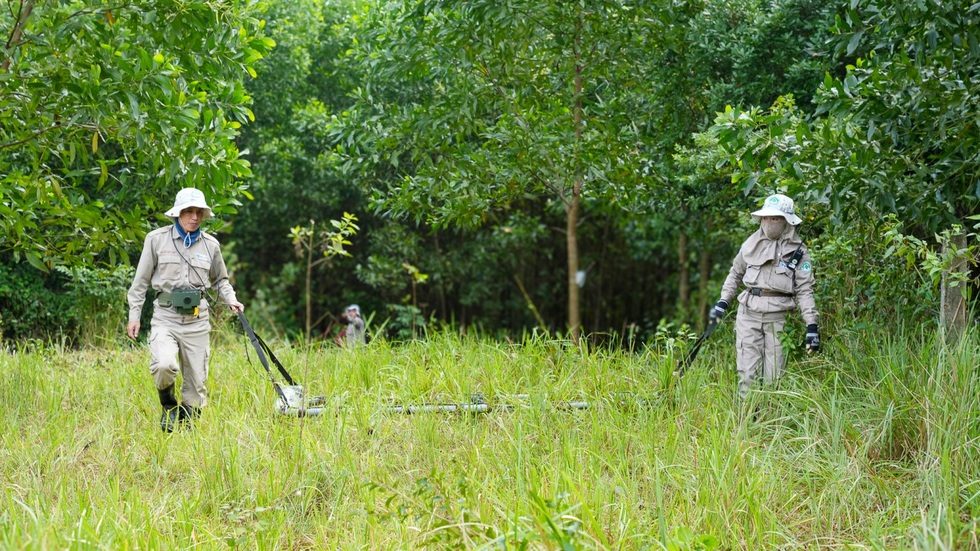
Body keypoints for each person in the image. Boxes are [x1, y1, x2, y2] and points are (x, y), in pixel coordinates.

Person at [126, 188, 244, 432]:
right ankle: (168, 404)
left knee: (196, 383)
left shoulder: (211, 245)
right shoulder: (156, 240)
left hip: (197, 320)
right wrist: (134, 316)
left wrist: (232, 300)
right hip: (165, 316)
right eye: (189, 211)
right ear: (178, 213)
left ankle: (188, 430)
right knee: (164, 365)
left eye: (199, 212)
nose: (194, 217)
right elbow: (140, 283)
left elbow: (220, 281)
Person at [709, 194, 819, 398]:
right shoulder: (750, 245)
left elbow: (805, 290)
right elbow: (735, 274)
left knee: (775, 376)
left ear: (786, 221)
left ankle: (771, 415)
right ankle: (747, 415)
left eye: (775, 218)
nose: (769, 223)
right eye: (766, 217)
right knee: (747, 373)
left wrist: (811, 325)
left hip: (778, 318)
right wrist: (723, 301)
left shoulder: (799, 252)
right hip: (748, 314)